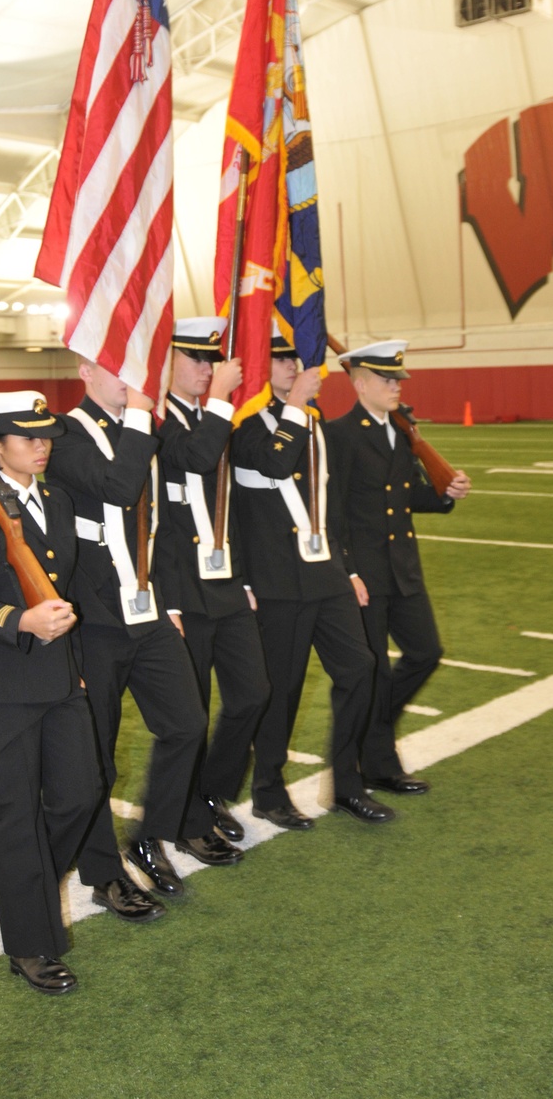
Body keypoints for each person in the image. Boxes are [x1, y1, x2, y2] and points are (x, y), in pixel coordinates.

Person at [45, 357, 239, 903]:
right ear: (85, 371)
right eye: (117, 367)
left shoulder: (142, 428)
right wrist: (138, 415)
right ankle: (104, 874)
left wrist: (171, 600)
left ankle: (152, 835)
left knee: (184, 722)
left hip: (147, 609)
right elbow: (119, 486)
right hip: (92, 621)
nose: (133, 380)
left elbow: (180, 494)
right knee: (96, 755)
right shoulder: (63, 434)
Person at [0, 391, 101, 996]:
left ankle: (26, 884)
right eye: (26, 436)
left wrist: (76, 662)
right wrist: (18, 621)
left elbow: (63, 583)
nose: (42, 445)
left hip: (60, 678)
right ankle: (31, 943)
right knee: (13, 815)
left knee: (81, 794)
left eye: (45, 435)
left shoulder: (56, 501)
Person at [232, 327, 389, 830]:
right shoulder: (246, 425)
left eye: (299, 361)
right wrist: (297, 404)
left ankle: (346, 783)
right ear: (261, 368)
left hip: (326, 574)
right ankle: (268, 790)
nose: (296, 369)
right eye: (282, 361)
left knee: (360, 668)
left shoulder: (314, 423)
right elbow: (276, 464)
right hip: (277, 581)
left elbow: (330, 503)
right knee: (283, 688)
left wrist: (351, 568)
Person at [326, 341, 471, 793]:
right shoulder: (340, 435)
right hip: (366, 575)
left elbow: (406, 497)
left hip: (403, 569)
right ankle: (376, 767)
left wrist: (446, 492)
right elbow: (334, 512)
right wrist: (347, 571)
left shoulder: (401, 432)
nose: (396, 387)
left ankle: (375, 737)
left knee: (425, 653)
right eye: (387, 380)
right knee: (373, 672)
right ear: (361, 383)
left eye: (398, 381)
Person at [157, 318, 271, 842]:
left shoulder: (213, 418)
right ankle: (185, 819)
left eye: (210, 361)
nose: (206, 369)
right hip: (183, 589)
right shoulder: (154, 421)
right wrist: (224, 400)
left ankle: (209, 791)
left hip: (224, 582)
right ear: (168, 362)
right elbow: (194, 457)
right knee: (191, 715)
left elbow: (231, 506)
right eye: (195, 359)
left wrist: (242, 574)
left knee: (252, 693)